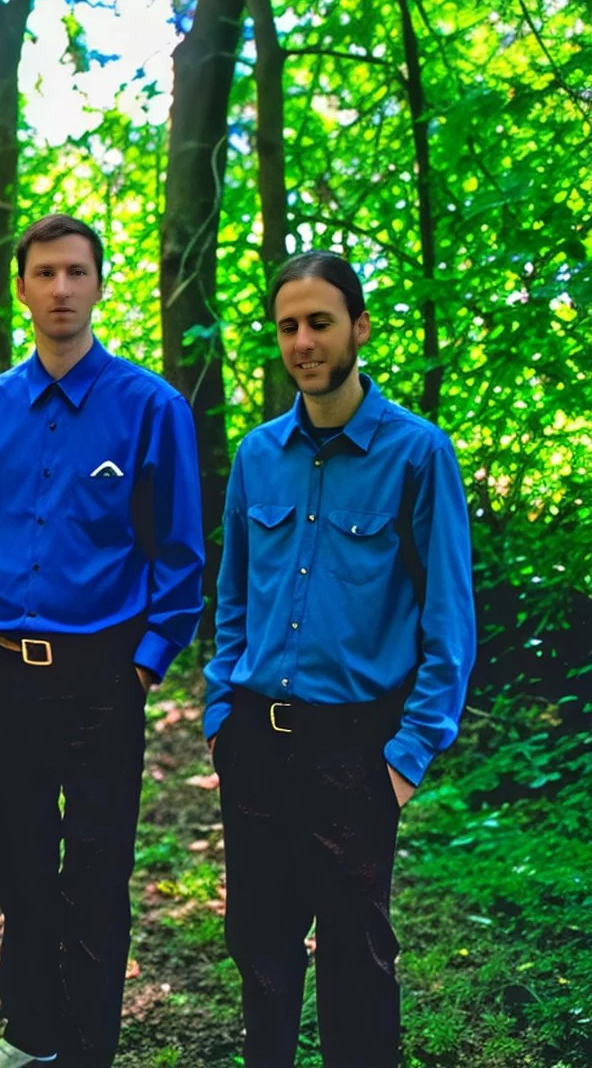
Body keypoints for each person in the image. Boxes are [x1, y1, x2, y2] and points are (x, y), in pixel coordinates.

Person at [204, 251, 476, 1068]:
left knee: (357, 964)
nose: (302, 342)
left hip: (357, 753)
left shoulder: (418, 455)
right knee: (261, 951)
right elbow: (234, 601)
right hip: (257, 742)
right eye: (288, 326)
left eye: (319, 322)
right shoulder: (257, 456)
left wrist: (407, 756)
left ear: (358, 327)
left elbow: (449, 622)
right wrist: (221, 716)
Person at [0, 215, 203, 1068]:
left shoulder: (151, 408)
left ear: (98, 285)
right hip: (4, 676)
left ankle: (89, 1047)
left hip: (102, 677)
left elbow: (178, 551)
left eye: (75, 272)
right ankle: (31, 1035)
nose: (60, 289)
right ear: (21, 288)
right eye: (44, 273)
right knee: (17, 866)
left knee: (95, 872)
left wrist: (144, 663)